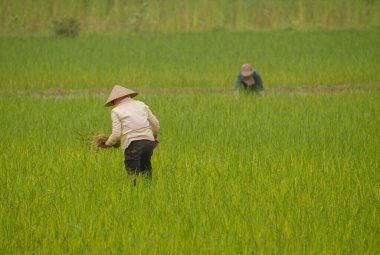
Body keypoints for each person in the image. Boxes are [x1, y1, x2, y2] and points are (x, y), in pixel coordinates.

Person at [103, 84, 160, 180]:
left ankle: (134, 193)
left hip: (132, 144)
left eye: (113, 102)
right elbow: (156, 125)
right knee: (146, 170)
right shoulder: (141, 104)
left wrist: (107, 143)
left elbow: (116, 134)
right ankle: (149, 191)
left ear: (117, 99)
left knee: (133, 175)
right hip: (148, 143)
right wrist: (153, 137)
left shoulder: (116, 111)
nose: (114, 104)